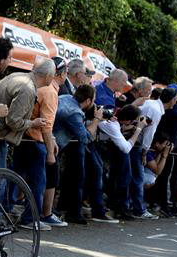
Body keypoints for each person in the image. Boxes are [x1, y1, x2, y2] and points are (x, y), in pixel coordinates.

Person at [0, 58, 54, 228]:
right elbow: (14, 121)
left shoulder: (18, 76)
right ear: (48, 77)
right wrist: (33, 123)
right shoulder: (28, 88)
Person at [53, 84, 102, 224]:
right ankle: (48, 213)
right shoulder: (74, 113)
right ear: (88, 101)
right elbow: (86, 137)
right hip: (52, 145)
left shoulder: (65, 97)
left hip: (52, 143)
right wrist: (97, 119)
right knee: (50, 181)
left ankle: (55, 210)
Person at [27, 57, 67, 227]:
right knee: (39, 182)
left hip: (26, 137)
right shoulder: (49, 91)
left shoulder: (40, 87)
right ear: (62, 74)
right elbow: (46, 126)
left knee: (20, 177)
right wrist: (50, 153)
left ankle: (18, 212)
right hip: (36, 140)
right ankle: (32, 218)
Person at [98, 105, 150, 220]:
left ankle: (118, 207)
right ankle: (120, 208)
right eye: (135, 120)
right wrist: (138, 130)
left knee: (119, 177)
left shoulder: (113, 122)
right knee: (123, 178)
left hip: (110, 151)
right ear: (127, 120)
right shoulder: (113, 124)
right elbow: (126, 147)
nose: (137, 122)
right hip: (112, 152)